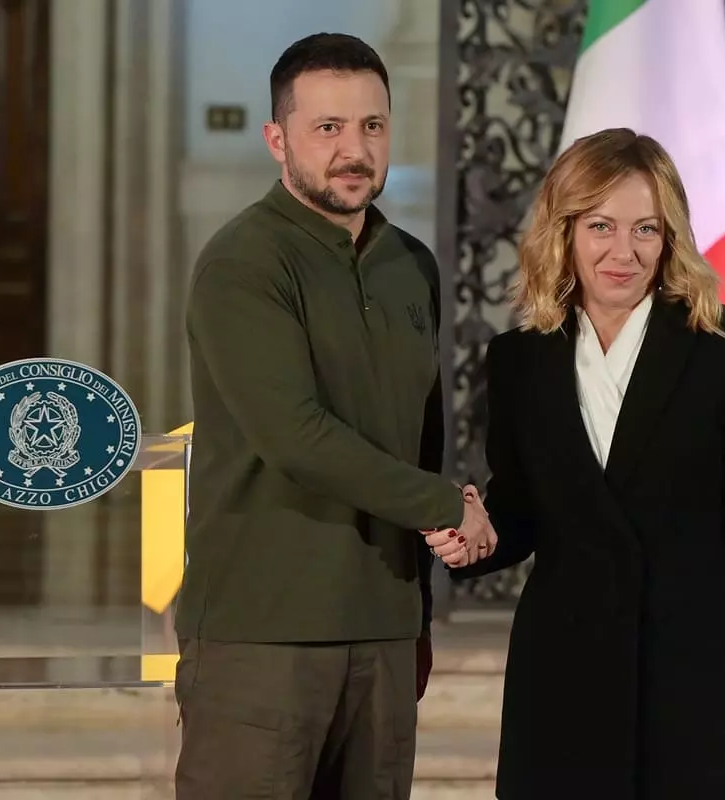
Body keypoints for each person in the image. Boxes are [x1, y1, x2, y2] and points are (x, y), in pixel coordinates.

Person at [425, 128, 725, 799]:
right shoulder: (519, 358)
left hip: (696, 668)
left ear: (670, 238)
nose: (623, 252)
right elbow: (521, 512)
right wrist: (474, 537)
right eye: (600, 226)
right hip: (564, 670)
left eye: (645, 229)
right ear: (564, 231)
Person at [174, 33, 495, 800]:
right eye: (328, 128)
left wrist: (417, 613)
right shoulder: (243, 263)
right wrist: (446, 504)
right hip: (263, 633)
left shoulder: (411, 264)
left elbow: (419, 436)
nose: (355, 150)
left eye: (372, 126)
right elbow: (296, 436)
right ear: (277, 139)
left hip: (384, 629)